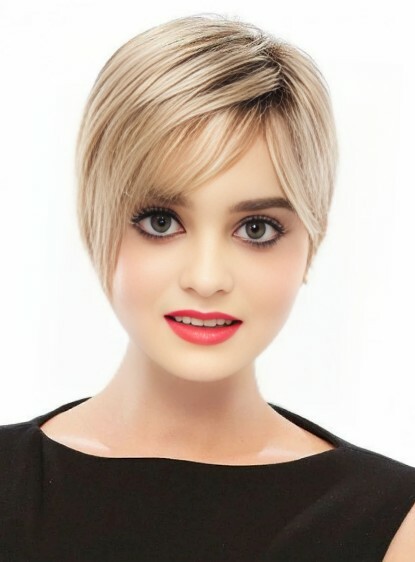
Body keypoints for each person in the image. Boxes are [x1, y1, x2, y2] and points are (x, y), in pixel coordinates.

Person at [1, 13, 414, 562]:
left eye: (256, 229)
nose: (206, 278)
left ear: (312, 240)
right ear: (95, 218)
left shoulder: (395, 523)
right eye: (161, 222)